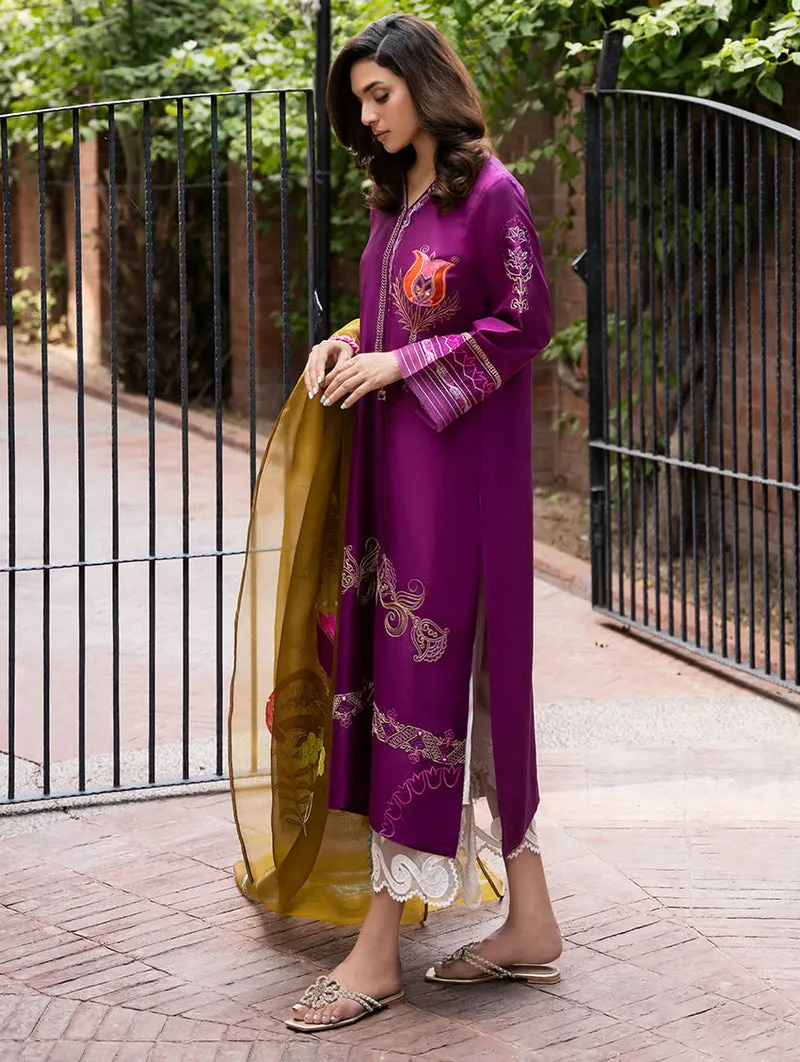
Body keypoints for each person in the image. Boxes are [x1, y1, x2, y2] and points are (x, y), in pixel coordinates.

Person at [228, 12, 562, 1034]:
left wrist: (403, 365)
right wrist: (343, 347)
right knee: (412, 684)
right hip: (392, 478)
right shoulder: (397, 200)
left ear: (424, 82)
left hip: (459, 487)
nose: (366, 118)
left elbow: (523, 323)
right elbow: (393, 320)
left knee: (425, 687)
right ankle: (528, 923)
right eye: (357, 103)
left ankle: (375, 953)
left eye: (378, 95)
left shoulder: (489, 193)